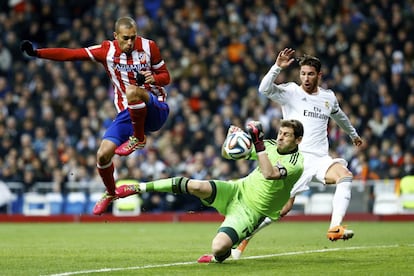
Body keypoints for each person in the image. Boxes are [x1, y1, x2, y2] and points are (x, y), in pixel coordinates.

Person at [20, 16, 171, 215]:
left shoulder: (149, 47)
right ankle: (110, 193)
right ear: (115, 35)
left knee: (133, 91)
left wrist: (154, 77)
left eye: (133, 37)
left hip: (155, 107)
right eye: (125, 38)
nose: (130, 43)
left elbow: (166, 77)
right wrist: (37, 53)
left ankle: (139, 138)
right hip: (129, 112)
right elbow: (71, 54)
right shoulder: (106, 51)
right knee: (102, 154)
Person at [232, 48, 364, 258]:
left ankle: (335, 227)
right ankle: (242, 238)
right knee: (281, 209)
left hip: (320, 158)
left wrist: (353, 134)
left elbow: (340, 117)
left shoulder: (328, 97)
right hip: (297, 159)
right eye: (303, 73)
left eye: (310, 74)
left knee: (345, 176)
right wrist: (277, 67)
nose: (306, 78)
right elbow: (264, 89)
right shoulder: (291, 92)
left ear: (319, 75)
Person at [115, 120, 304, 263]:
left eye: (286, 135)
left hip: (251, 213)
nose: (280, 137)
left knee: (218, 248)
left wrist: (258, 142)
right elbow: (226, 154)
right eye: (280, 132)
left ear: (298, 140)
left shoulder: (297, 163)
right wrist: (231, 141)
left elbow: (269, 173)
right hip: (237, 189)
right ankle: (138, 187)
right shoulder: (270, 145)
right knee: (195, 186)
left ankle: (220, 255)